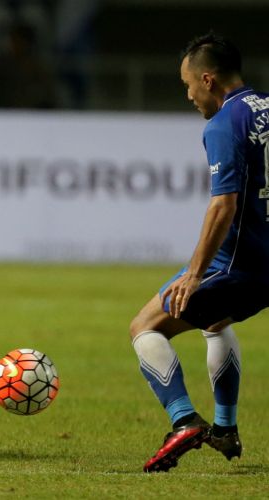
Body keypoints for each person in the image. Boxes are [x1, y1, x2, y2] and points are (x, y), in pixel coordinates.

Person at [129, 32, 269, 472]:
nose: (188, 95)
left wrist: (195, 272)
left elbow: (223, 205)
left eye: (188, 84)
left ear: (207, 79)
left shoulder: (225, 124)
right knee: (215, 320)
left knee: (145, 326)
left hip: (237, 262)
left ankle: (183, 421)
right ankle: (224, 428)